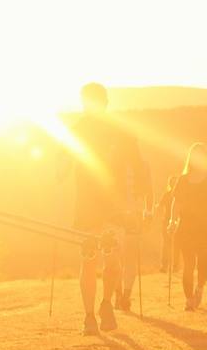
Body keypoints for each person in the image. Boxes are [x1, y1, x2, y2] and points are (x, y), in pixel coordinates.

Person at [58, 82, 145, 334]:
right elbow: (61, 168)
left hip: (114, 205)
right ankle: (88, 317)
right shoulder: (76, 130)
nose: (91, 106)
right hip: (87, 206)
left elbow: (138, 166)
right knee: (89, 260)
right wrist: (61, 164)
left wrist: (138, 199)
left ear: (105, 103)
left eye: (96, 101)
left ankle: (106, 304)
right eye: (87, 101)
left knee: (113, 260)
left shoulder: (121, 132)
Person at [168, 143, 207, 310]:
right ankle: (189, 299)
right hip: (186, 227)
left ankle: (199, 287)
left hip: (206, 227)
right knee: (188, 264)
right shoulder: (183, 180)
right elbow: (176, 203)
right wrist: (172, 220)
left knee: (203, 262)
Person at [117, 156, 152, 312]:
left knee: (124, 257)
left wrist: (148, 213)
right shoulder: (142, 163)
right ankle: (122, 294)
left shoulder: (142, 164)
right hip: (118, 215)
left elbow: (149, 192)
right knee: (119, 257)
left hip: (128, 215)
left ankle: (123, 295)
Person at [154, 175, 178, 273]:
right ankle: (169, 265)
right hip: (170, 221)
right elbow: (160, 206)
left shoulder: (169, 194)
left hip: (172, 221)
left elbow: (159, 206)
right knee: (171, 244)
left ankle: (168, 266)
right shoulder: (169, 194)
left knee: (169, 244)